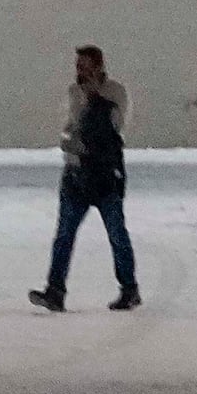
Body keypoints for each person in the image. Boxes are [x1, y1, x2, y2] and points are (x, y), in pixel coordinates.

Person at [34, 42, 138, 310]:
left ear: (98, 67)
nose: (79, 71)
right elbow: (69, 126)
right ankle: (55, 290)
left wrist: (94, 99)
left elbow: (114, 126)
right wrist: (69, 145)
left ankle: (129, 288)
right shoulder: (73, 93)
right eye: (77, 65)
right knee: (64, 235)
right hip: (77, 175)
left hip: (105, 175)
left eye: (84, 66)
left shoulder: (115, 92)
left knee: (117, 234)